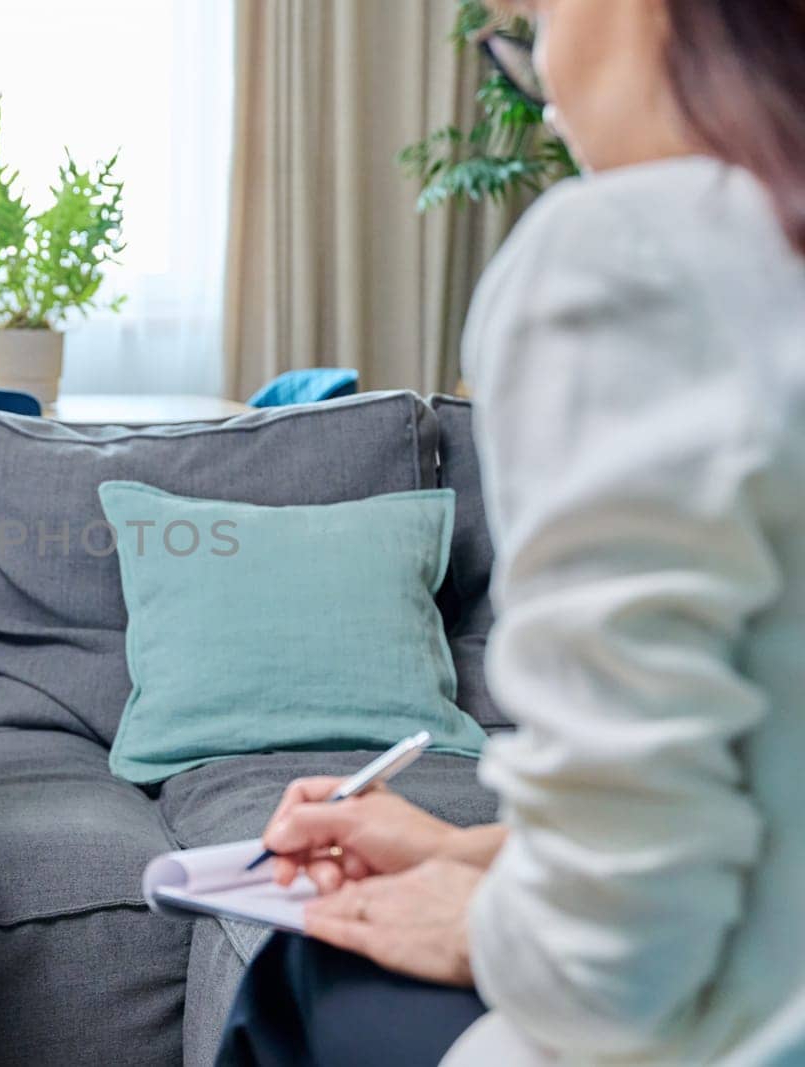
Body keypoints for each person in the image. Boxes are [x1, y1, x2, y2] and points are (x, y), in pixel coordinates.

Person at [217, 1, 805, 1063]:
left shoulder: (627, 255)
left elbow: (612, 958)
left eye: (530, 23)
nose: (543, 72)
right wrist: (474, 851)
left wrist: (488, 921)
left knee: (306, 964)